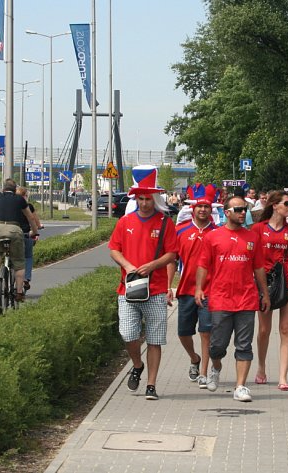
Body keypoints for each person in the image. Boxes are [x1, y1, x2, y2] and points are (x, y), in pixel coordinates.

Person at [108, 166, 178, 401]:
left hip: (156, 289)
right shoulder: (125, 222)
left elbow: (172, 254)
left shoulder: (165, 223)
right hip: (128, 288)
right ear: (135, 198)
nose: (145, 203)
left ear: (155, 199)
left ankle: (151, 384)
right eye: (141, 198)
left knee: (155, 339)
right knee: (128, 334)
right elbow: (113, 249)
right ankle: (137, 365)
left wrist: (153, 265)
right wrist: (128, 265)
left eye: (149, 199)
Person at [195, 195, 270, 402]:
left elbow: (259, 268)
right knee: (217, 345)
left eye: (244, 209)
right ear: (226, 213)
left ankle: (240, 387)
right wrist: (199, 289)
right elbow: (202, 265)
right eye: (238, 209)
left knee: (244, 345)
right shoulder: (213, 237)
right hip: (220, 298)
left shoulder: (252, 237)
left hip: (246, 299)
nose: (242, 213)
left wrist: (264, 293)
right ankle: (216, 367)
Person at [251, 191, 288, 391]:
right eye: (287, 204)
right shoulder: (259, 229)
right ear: (275, 205)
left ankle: (283, 377)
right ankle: (261, 368)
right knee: (263, 329)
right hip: (265, 282)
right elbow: (251, 255)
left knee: (286, 329)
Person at [169, 198, 217, 389]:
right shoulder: (180, 230)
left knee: (206, 332)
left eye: (207, 207)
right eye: (200, 207)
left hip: (209, 290)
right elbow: (172, 259)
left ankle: (204, 373)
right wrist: (167, 286)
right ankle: (194, 358)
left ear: (211, 210)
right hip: (186, 289)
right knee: (183, 333)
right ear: (193, 209)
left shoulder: (217, 232)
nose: (203, 210)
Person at [0, 179, 39, 302]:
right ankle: (19, 293)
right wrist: (34, 231)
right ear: (14, 189)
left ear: (3, 188)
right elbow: (30, 217)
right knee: (19, 262)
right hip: (14, 230)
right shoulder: (20, 200)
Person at [16, 187, 43, 292]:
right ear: (25, 196)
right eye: (26, 195)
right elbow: (35, 220)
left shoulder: (12, 206)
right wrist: (39, 227)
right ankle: (26, 278)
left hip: (11, 234)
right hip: (25, 234)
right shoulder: (29, 206)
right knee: (28, 256)